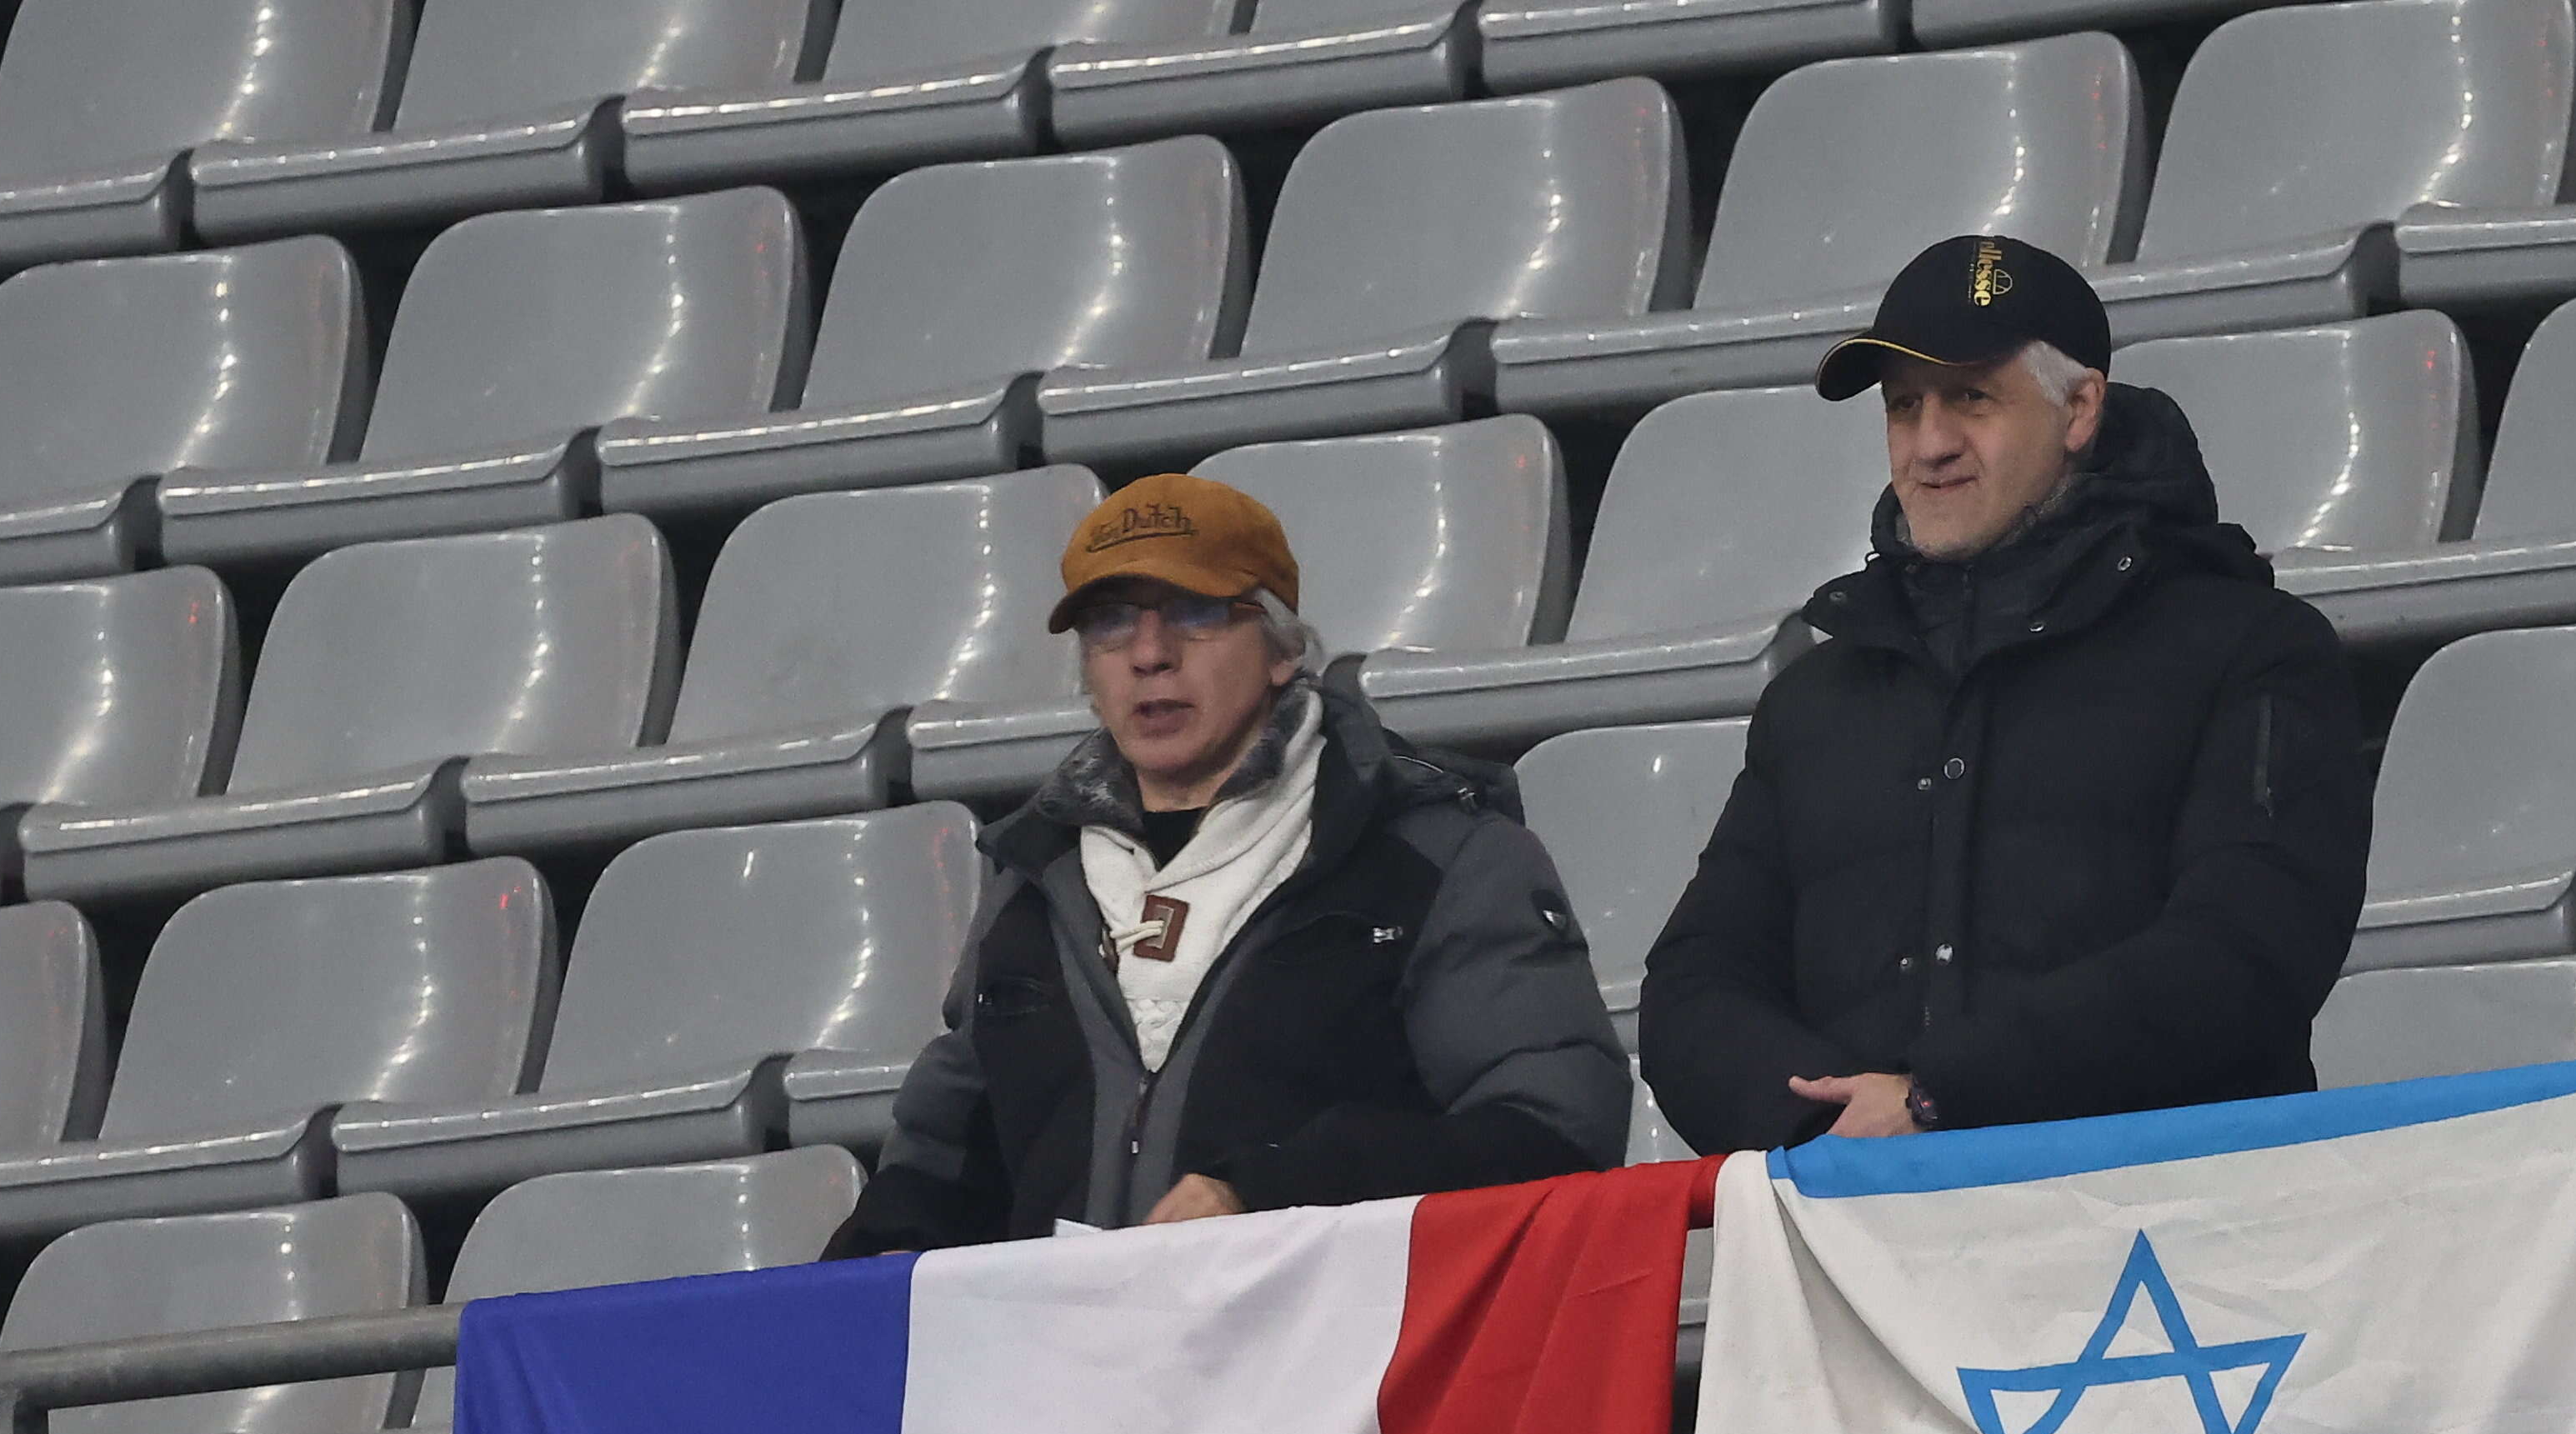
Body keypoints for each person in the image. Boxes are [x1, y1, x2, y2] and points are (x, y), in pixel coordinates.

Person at [1637, 233, 2371, 1153]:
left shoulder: (2248, 649)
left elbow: (2249, 950)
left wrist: (1944, 1099)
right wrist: (1828, 1126)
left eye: (1971, 398)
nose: (1930, 445)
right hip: (1868, 1244)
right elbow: (1693, 989)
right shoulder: (1814, 701)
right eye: (1903, 408)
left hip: (2166, 1251)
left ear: (2080, 409)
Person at [826, 474, 1628, 1253]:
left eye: (1197, 613)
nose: (1149, 654)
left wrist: (1272, 1193)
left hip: (1345, 1370)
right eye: (1110, 624)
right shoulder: (1033, 882)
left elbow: (1553, 1127)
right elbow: (939, 1170)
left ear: (1282, 651)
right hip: (1074, 1371)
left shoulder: (1437, 856)